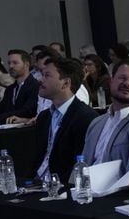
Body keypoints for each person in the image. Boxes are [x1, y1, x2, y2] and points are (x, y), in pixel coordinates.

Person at [32, 56, 96, 184]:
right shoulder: (44, 117)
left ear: (65, 83)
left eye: (47, 75)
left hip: (64, 187)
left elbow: (80, 164)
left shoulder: (85, 118)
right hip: (38, 183)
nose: (40, 80)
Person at [82, 59, 129, 171]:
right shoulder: (96, 123)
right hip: (85, 186)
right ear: (111, 81)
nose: (127, 83)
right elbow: (82, 163)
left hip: (119, 188)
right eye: (122, 78)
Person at [0, 50, 39, 124]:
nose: (11, 66)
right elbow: (0, 109)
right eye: (9, 63)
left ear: (26, 65)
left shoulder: (35, 85)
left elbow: (27, 110)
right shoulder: (10, 88)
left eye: (15, 63)